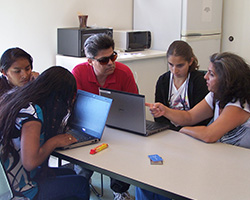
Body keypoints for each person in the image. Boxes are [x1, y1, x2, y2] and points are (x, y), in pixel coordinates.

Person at [137, 52, 250, 199]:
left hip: (237, 168)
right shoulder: (216, 95)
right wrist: (165, 111)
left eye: (211, 74)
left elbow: (209, 134)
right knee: (148, 183)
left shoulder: (238, 105)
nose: (205, 77)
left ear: (226, 80)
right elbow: (190, 116)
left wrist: (184, 130)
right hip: (217, 157)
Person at [0, 66, 90, 200]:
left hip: (6, 181)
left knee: (69, 172)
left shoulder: (17, 98)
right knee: (81, 184)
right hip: (20, 190)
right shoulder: (33, 113)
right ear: (58, 96)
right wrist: (54, 142)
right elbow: (30, 162)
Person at [72, 33, 138, 200]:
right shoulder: (78, 73)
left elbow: (133, 107)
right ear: (90, 61)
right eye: (103, 60)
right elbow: (73, 108)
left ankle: (120, 190)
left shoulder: (124, 73)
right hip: (87, 126)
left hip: (118, 126)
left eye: (113, 56)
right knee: (82, 164)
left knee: (123, 148)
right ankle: (80, 185)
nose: (110, 63)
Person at [154, 40, 209, 131]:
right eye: (171, 65)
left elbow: (202, 118)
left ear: (190, 61)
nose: (174, 70)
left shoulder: (200, 82)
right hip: (168, 130)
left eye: (180, 66)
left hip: (192, 131)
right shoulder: (163, 81)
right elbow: (159, 117)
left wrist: (182, 131)